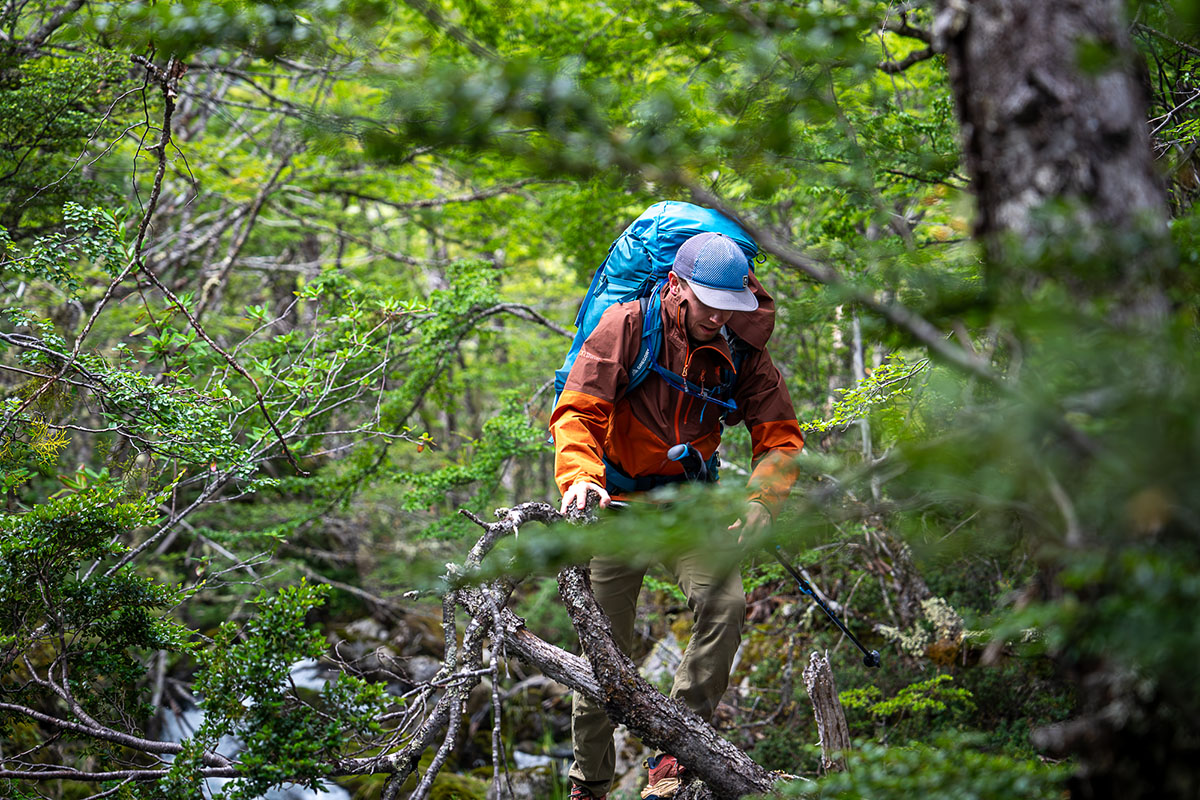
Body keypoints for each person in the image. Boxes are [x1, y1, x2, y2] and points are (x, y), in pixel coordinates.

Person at [550, 231, 805, 800]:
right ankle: (589, 783)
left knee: (726, 603)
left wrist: (764, 500)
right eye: (708, 302)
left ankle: (677, 755)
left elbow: (781, 437)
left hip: (689, 504)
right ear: (677, 286)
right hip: (615, 504)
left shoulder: (741, 349)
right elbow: (577, 410)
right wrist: (582, 477)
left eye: (729, 304)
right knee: (603, 652)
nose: (718, 315)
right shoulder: (627, 326)